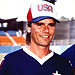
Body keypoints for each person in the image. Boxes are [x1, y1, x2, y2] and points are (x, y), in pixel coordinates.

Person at [0, 1, 74, 75]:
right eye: (40, 24)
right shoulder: (10, 62)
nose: (46, 30)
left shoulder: (65, 65)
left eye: (51, 25)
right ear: (28, 28)